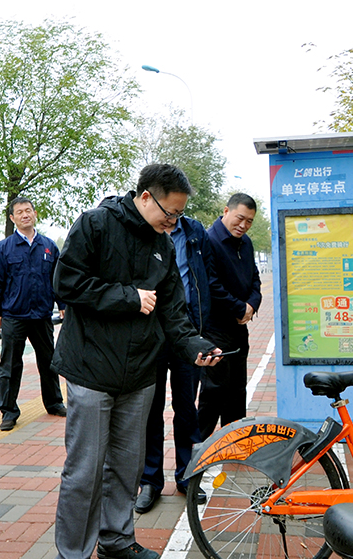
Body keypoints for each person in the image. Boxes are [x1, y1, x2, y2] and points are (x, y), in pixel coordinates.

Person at [51, 163, 222, 559]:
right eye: (170, 213)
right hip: (91, 370)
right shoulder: (95, 225)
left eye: (180, 215)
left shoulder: (163, 245)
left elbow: (173, 313)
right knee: (85, 471)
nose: (174, 221)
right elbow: (66, 283)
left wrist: (196, 346)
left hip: (140, 375)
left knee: (126, 468)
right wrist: (129, 296)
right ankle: (73, 552)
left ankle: (116, 541)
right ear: (146, 197)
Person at [135, 214, 219, 514]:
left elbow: (205, 275)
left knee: (187, 409)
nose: (171, 215)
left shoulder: (194, 230)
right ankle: (150, 482)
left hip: (187, 331)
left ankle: (187, 477)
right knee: (151, 410)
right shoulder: (143, 229)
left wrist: (201, 327)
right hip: (152, 332)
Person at [0, 196, 66, 431]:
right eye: (19, 212)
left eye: (28, 210)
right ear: (12, 218)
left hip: (42, 315)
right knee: (10, 364)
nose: (25, 215)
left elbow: (58, 279)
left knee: (49, 362)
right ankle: (8, 411)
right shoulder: (4, 248)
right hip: (14, 315)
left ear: (34, 214)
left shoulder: (49, 246)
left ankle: (54, 403)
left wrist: (62, 305)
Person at [197, 193, 263, 440]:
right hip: (215, 329)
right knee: (214, 390)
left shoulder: (245, 243)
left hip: (238, 328)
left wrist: (251, 306)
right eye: (240, 218)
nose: (243, 225)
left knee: (237, 389)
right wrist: (239, 308)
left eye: (249, 222)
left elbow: (255, 278)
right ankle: (198, 448)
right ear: (226, 211)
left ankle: (235, 443)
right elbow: (211, 284)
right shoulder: (208, 240)